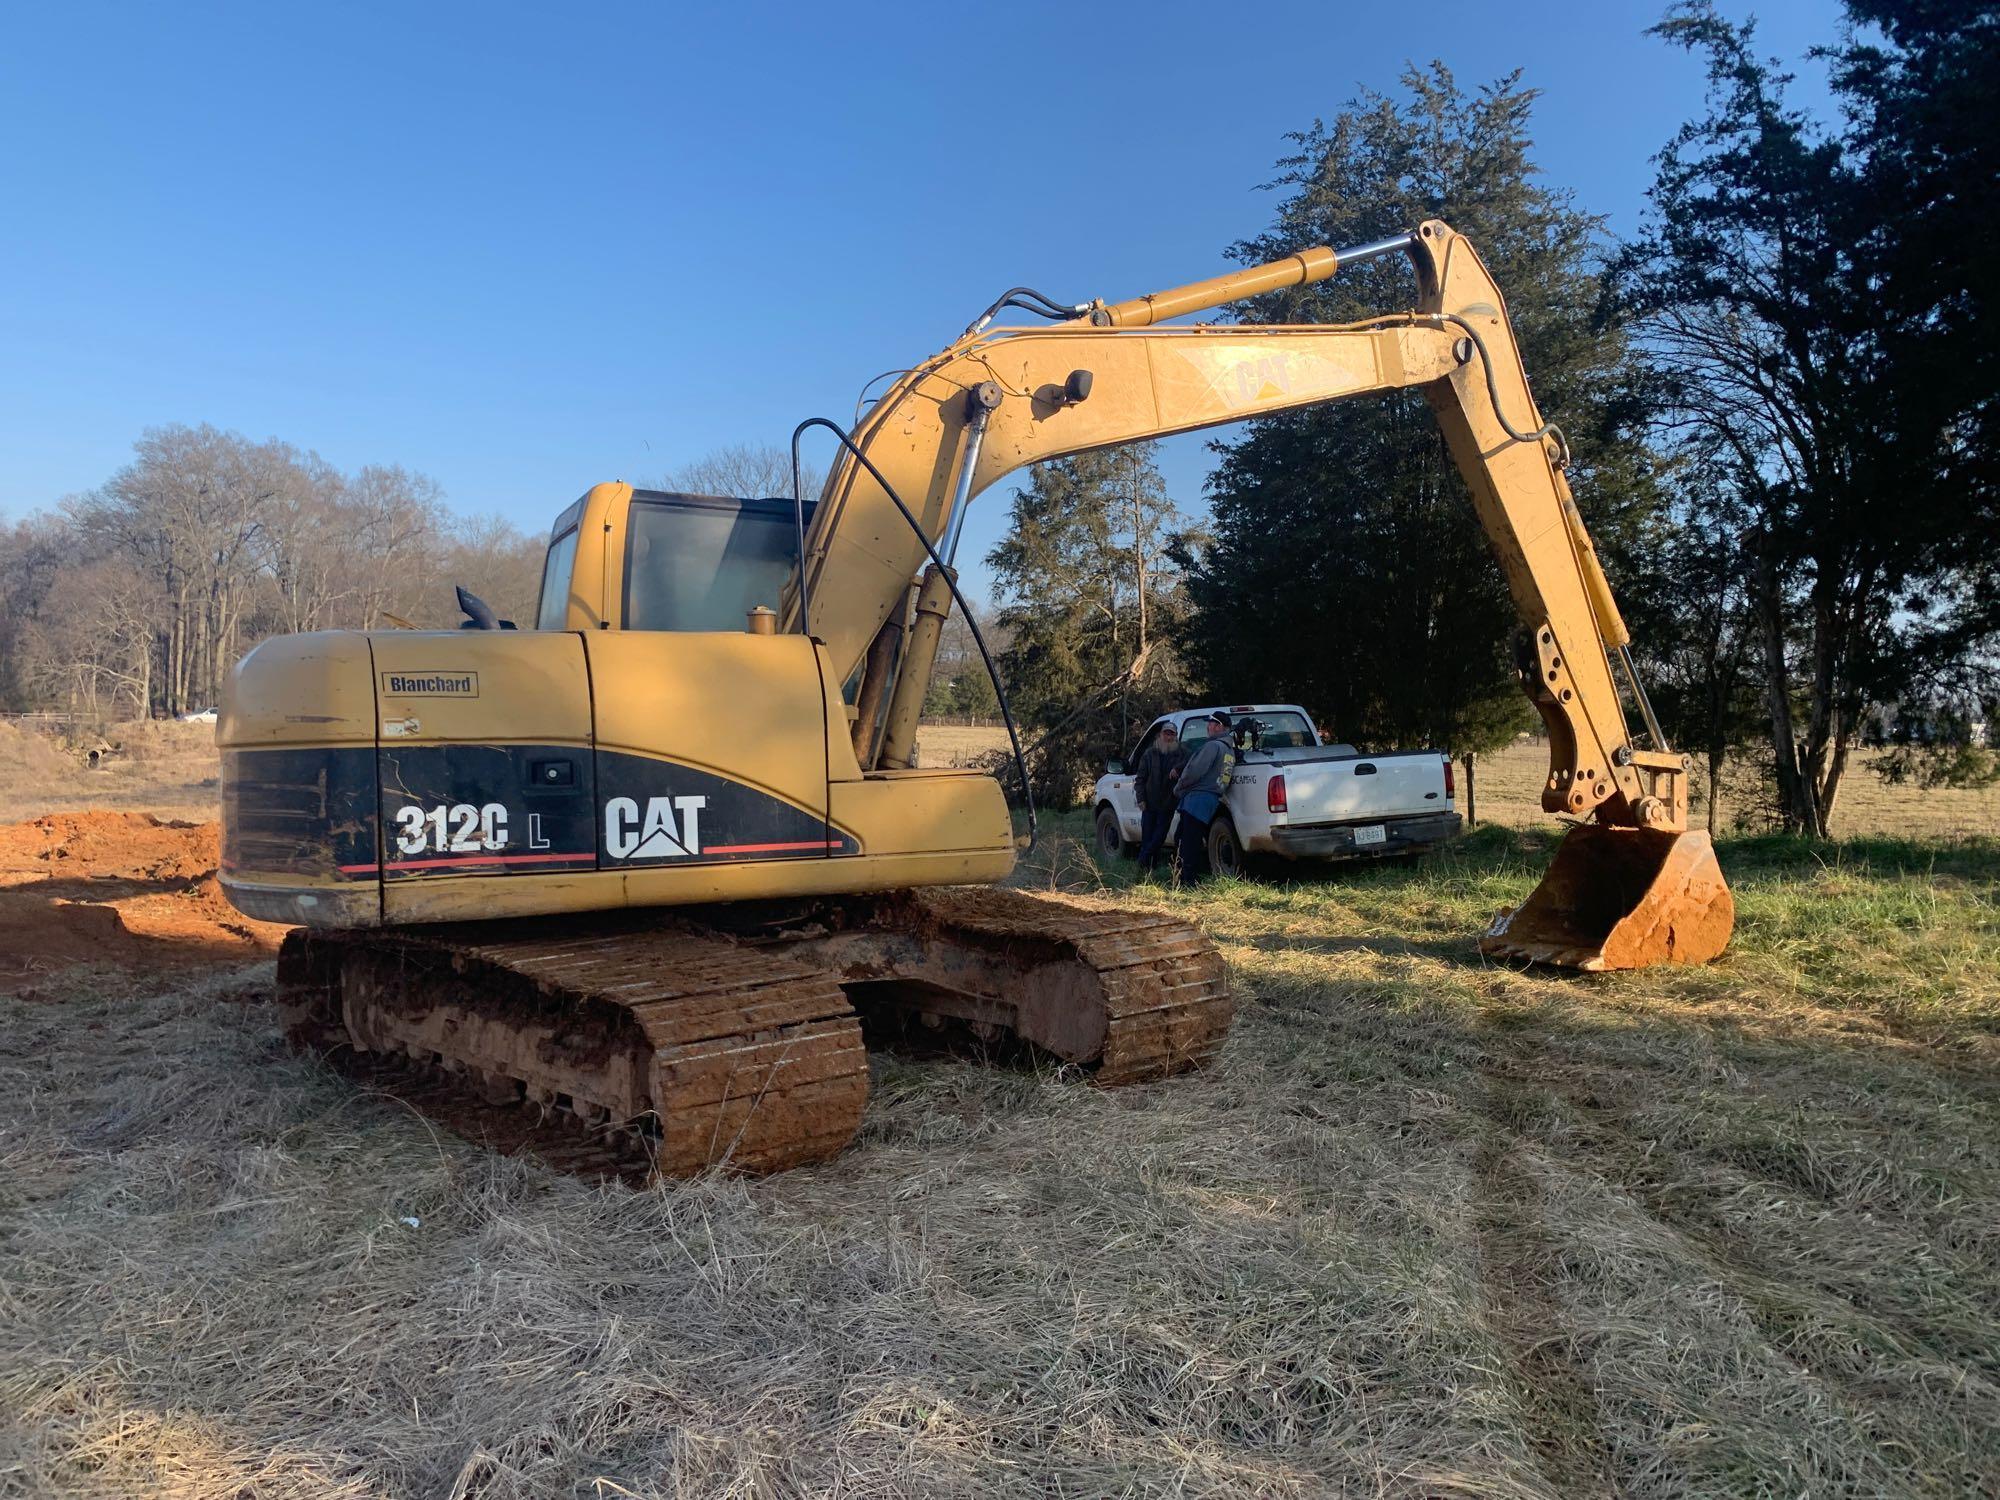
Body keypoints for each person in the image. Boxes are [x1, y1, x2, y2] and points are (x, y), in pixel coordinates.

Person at [1173, 711, 1236, 885]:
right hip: (1211, 799)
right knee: (1188, 839)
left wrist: (1178, 787)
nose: (1208, 727)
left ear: (1219, 727)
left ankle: (1188, 881)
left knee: (1186, 842)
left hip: (1197, 799)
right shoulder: (1229, 750)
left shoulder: (1212, 746)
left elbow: (1193, 771)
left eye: (1211, 723)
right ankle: (1187, 877)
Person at [1132, 723, 1182, 875]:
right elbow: (1140, 779)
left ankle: (1141, 862)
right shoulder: (1149, 754)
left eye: (1172, 734)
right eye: (1166, 734)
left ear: (1176, 736)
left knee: (1159, 837)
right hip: (1149, 804)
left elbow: (1191, 762)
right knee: (1147, 837)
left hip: (1168, 804)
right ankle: (1147, 869)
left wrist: (1177, 769)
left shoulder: (1181, 753)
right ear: (1160, 735)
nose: (1168, 737)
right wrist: (1141, 800)